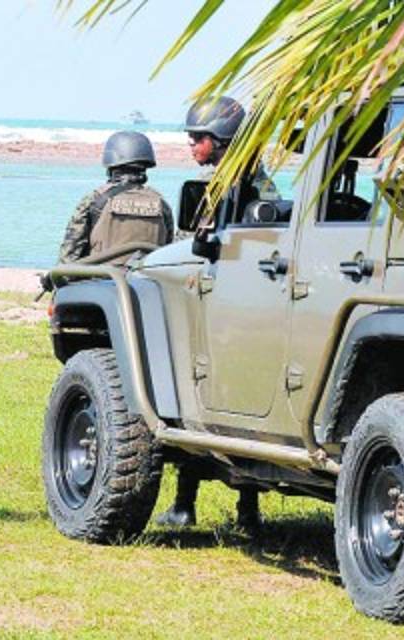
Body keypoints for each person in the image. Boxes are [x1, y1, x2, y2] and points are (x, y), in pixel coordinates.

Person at [155, 96, 275, 531]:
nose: (191, 145)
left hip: (223, 299)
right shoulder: (250, 180)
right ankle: (245, 513)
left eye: (197, 139)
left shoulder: (231, 184)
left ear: (219, 139)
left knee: (194, 401)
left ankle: (187, 506)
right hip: (236, 298)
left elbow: (208, 240)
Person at [58, 130, 173, 264]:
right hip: (147, 281)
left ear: (111, 164)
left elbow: (69, 254)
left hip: (101, 280)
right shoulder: (161, 202)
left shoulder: (96, 200)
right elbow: (167, 250)